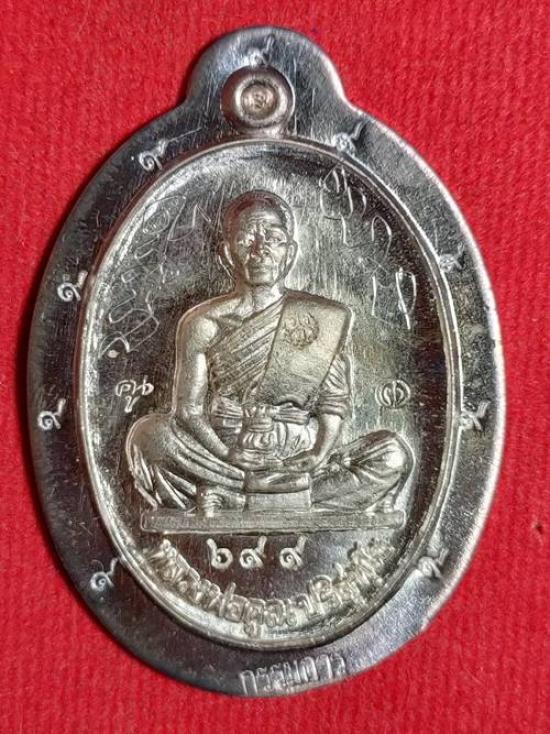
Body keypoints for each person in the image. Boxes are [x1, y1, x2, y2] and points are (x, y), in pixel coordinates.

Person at [126, 190, 412, 515]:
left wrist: (318, 454)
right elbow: (188, 411)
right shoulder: (203, 323)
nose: (260, 251)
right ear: (227, 254)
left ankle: (237, 500)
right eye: (247, 240)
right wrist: (227, 453)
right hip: (227, 455)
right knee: (149, 437)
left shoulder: (320, 318)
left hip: (298, 455)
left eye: (274, 240)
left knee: (392, 455)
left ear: (290, 253)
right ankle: (287, 498)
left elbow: (332, 403)